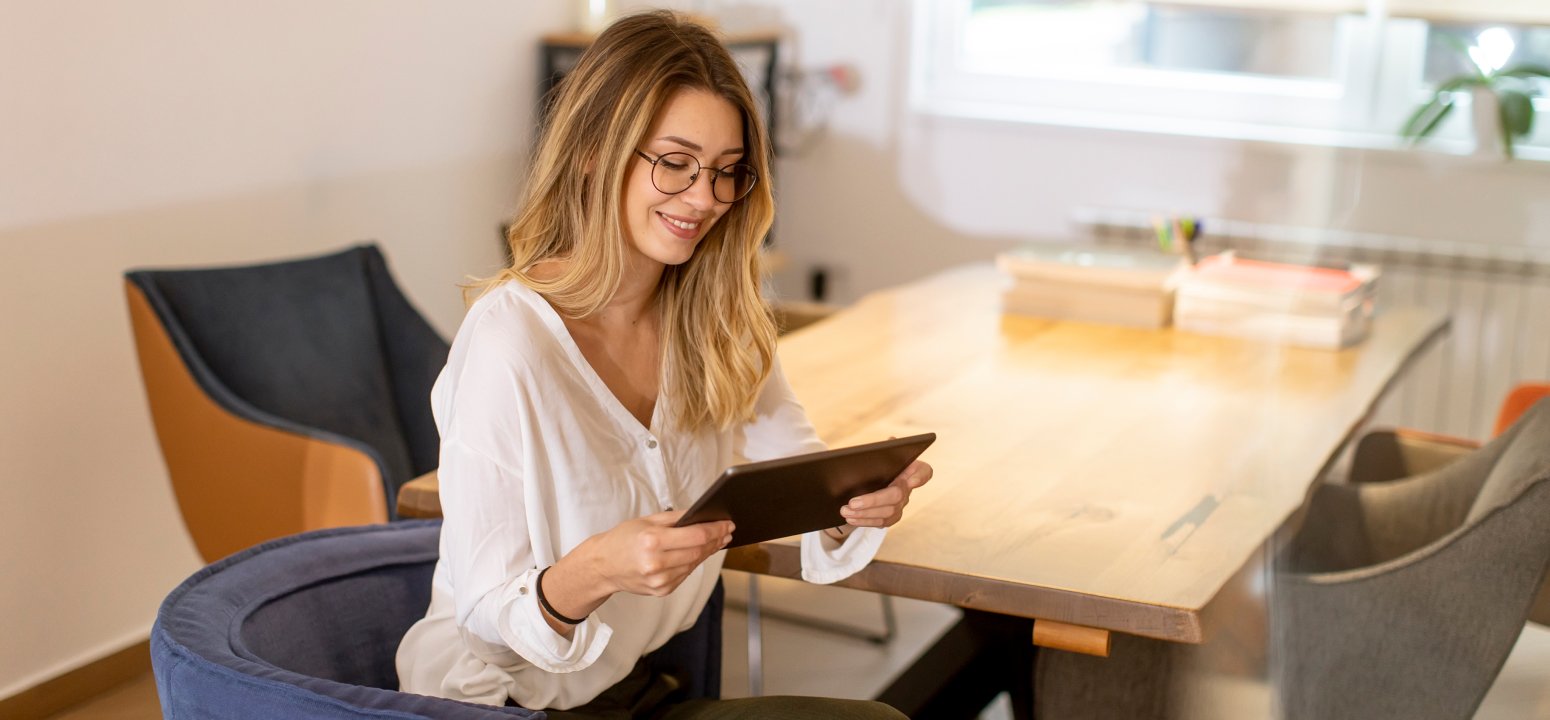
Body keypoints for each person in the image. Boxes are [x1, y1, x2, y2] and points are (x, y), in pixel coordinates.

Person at [396, 11, 931, 718]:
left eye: (725, 173)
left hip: (632, 691)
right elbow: (488, 631)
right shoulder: (509, 343)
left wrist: (847, 508)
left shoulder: (717, 324)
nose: (705, 198)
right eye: (674, 163)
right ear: (594, 151)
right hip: (492, 702)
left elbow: (797, 473)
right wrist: (594, 571)